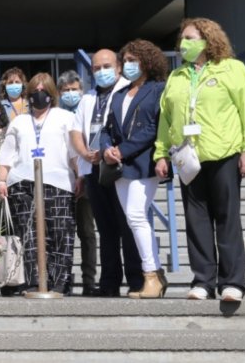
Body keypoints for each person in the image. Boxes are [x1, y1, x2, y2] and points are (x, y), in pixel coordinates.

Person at [154, 18, 245, 302]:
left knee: (226, 218)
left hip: (224, 153)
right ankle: (203, 281)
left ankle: (232, 282)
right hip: (188, 157)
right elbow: (166, 118)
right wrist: (161, 152)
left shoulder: (233, 70)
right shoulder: (177, 77)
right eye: (182, 39)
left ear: (208, 39)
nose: (184, 44)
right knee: (196, 220)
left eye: (191, 38)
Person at [70, 49, 142, 297]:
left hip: (120, 168)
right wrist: (85, 154)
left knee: (128, 225)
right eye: (97, 68)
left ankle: (137, 280)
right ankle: (110, 281)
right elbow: (76, 132)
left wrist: (107, 152)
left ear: (119, 67)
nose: (102, 71)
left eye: (106, 66)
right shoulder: (88, 97)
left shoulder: (129, 91)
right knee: (106, 228)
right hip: (93, 170)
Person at [0, 72, 77, 294]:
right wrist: (1, 179)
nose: (39, 96)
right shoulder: (20, 121)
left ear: (51, 94)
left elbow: (73, 152)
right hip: (23, 181)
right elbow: (7, 154)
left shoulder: (65, 117)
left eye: (43, 91)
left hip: (58, 181)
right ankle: (33, 280)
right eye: (34, 92)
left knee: (60, 231)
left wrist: (80, 177)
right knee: (29, 233)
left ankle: (60, 281)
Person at [100, 39, 168, 299]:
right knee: (132, 218)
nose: (128, 65)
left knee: (137, 216)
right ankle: (156, 276)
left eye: (133, 61)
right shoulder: (119, 94)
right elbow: (107, 128)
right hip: (119, 167)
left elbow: (154, 127)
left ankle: (150, 274)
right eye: (125, 61)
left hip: (143, 163)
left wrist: (124, 149)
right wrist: (107, 149)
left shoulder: (158, 89)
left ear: (147, 62)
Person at [57, 69, 96, 296]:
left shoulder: (88, 111)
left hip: (86, 180)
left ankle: (89, 281)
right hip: (62, 181)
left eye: (74, 89)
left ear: (81, 90)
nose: (70, 94)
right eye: (66, 90)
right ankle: (64, 279)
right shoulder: (56, 114)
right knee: (63, 233)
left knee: (87, 233)